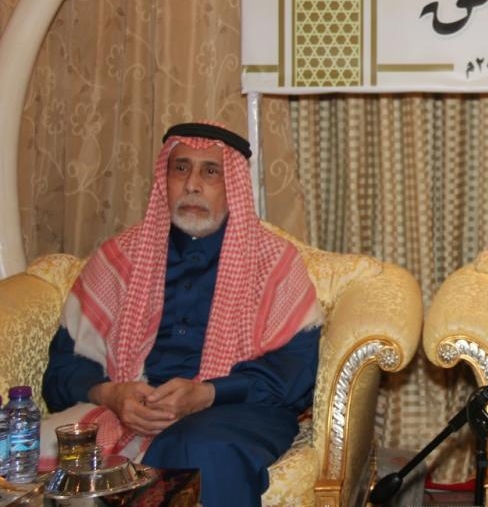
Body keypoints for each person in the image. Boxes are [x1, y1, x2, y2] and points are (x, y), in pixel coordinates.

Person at [41, 122, 324, 507]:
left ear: (233, 185)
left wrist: (208, 393)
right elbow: (61, 372)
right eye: (181, 168)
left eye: (211, 171)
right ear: (165, 179)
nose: (192, 184)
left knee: (196, 451)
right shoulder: (118, 260)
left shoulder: (274, 265)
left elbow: (296, 374)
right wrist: (112, 394)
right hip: (123, 411)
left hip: (237, 412)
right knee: (31, 452)